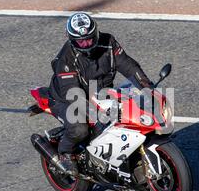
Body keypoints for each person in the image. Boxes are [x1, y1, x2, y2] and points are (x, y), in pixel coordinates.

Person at [48, 12, 153, 175]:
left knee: (127, 113)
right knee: (80, 129)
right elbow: (73, 93)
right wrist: (96, 115)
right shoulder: (66, 58)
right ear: (72, 40)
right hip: (65, 98)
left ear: (96, 32)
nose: (86, 44)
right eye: (81, 42)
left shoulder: (109, 43)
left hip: (99, 93)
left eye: (89, 38)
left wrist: (146, 86)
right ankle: (65, 153)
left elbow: (128, 65)